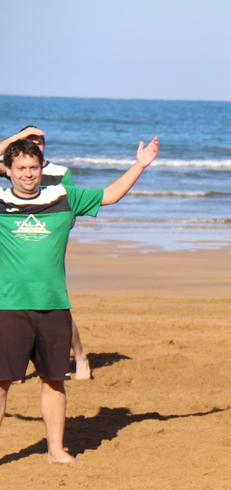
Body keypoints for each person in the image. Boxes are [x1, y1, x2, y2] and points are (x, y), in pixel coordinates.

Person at [0, 136, 159, 463]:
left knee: (54, 380)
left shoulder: (64, 196)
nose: (28, 174)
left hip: (54, 306)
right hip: (8, 307)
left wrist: (140, 165)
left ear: (42, 168)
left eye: (33, 167)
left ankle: (56, 451)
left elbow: (111, 195)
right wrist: (13, 139)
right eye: (21, 168)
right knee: (1, 383)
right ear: (8, 170)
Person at [1, 126, 89, 380]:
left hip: (48, 238)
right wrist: (15, 140)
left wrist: (54, 229)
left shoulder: (60, 173)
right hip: (15, 237)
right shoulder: (17, 165)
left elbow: (71, 208)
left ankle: (79, 355)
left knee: (55, 307)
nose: (35, 144)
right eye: (29, 139)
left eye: (39, 141)